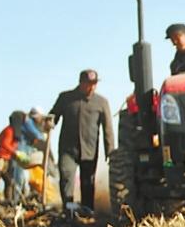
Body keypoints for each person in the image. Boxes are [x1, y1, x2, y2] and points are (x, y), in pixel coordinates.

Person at [49, 70, 114, 211]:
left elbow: (108, 129)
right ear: (81, 83)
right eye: (88, 84)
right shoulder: (65, 98)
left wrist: (111, 152)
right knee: (66, 177)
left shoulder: (102, 102)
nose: (91, 87)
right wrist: (49, 122)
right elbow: (53, 115)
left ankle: (87, 212)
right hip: (68, 149)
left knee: (88, 183)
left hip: (89, 151)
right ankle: (68, 209)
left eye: (94, 84)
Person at [0, 111, 32, 208]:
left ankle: (8, 203)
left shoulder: (16, 133)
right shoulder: (9, 131)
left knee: (9, 181)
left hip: (4, 159)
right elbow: (4, 144)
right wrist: (15, 152)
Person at [9, 107, 49, 202]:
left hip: (23, 151)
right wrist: (44, 134)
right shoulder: (28, 122)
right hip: (21, 151)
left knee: (22, 177)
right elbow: (36, 135)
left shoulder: (28, 121)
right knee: (19, 176)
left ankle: (19, 199)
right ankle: (16, 200)